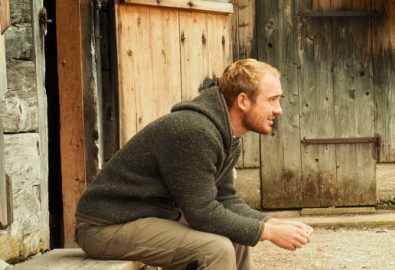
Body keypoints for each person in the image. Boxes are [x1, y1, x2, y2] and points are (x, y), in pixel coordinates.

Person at [75, 59, 314, 269]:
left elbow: (225, 200)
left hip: (151, 217)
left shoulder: (226, 135)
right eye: (272, 100)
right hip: (105, 227)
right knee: (215, 249)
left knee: (238, 236)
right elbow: (202, 213)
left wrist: (267, 222)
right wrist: (268, 232)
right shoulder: (195, 132)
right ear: (242, 101)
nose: (279, 110)